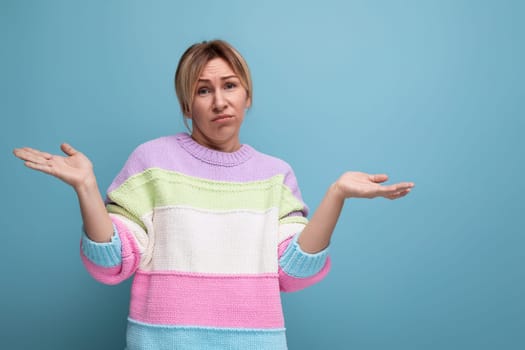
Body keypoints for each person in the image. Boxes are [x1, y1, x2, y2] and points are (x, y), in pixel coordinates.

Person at [13, 40, 414, 350]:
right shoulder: (151, 162)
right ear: (187, 104)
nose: (219, 101)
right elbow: (113, 261)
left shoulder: (275, 176)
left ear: (248, 94)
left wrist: (336, 195)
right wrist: (87, 189)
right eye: (203, 90)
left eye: (230, 85)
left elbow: (293, 271)